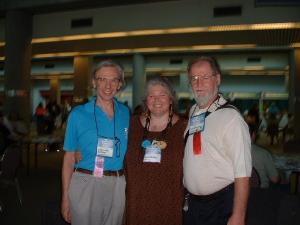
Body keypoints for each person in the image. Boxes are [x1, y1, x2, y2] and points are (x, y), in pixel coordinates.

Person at [183, 56, 252, 225]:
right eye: (194, 78)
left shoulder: (231, 118)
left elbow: (242, 173)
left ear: (218, 79)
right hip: (193, 205)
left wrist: (238, 216)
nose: (198, 84)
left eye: (205, 77)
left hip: (220, 205)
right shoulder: (193, 111)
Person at [61, 60, 130, 225]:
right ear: (94, 82)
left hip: (118, 184)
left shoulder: (125, 113)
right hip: (87, 182)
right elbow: (69, 158)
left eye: (114, 80)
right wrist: (65, 197)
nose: (108, 85)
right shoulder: (78, 114)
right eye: (102, 79)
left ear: (119, 84)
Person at [125, 76, 186, 225]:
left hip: (169, 202)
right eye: (151, 96)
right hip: (136, 201)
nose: (156, 100)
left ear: (171, 99)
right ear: (146, 100)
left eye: (162, 95)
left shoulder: (185, 127)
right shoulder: (131, 124)